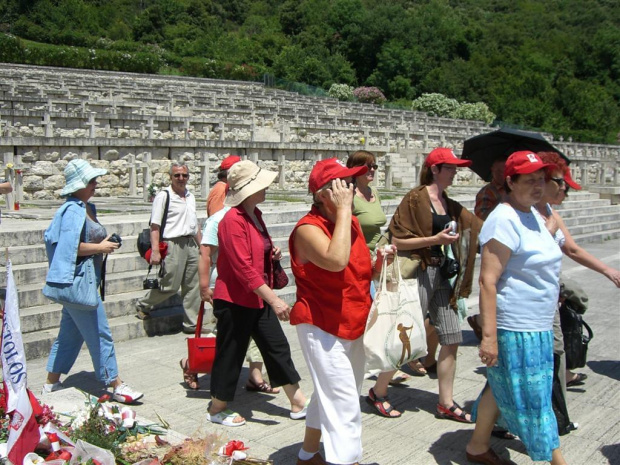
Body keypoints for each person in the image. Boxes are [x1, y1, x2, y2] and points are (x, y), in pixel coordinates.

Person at [290, 158, 394, 465]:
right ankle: (346, 460)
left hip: (353, 320)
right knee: (345, 404)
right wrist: (348, 209)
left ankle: (308, 455)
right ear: (325, 194)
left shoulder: (350, 223)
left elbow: (360, 273)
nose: (352, 189)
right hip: (322, 325)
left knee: (330, 396)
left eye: (351, 183)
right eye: (344, 184)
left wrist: (381, 262)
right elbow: (335, 261)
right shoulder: (307, 230)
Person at [466, 151, 567, 465]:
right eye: (530, 180)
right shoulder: (503, 218)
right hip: (516, 326)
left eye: (542, 180)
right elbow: (488, 281)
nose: (538, 186)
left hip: (536, 325)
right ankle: (557, 460)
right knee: (537, 401)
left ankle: (477, 446)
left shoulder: (535, 214)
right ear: (510, 181)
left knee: (499, 388)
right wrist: (489, 337)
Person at [208, 160, 307, 427]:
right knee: (231, 353)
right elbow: (242, 268)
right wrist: (274, 300)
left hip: (256, 296)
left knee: (277, 347)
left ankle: (297, 401)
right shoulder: (231, 219)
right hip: (234, 300)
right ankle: (217, 407)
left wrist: (271, 252)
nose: (267, 187)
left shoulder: (255, 214)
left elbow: (255, 253)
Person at [388, 147, 482, 423]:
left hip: (441, 274)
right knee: (404, 334)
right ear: (435, 169)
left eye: (455, 168)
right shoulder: (415, 199)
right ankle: (379, 390)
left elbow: (476, 227)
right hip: (419, 272)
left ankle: (445, 402)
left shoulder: (448, 202)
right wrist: (434, 241)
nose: (455, 173)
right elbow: (397, 241)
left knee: (452, 337)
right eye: (450, 168)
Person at [43, 159, 143, 404]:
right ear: (78, 185)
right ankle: (114, 383)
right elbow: (69, 248)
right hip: (80, 282)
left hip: (83, 281)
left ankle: (51, 383)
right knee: (100, 333)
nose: (95, 184)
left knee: (69, 335)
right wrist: (100, 246)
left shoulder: (87, 207)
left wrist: (104, 243)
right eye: (91, 181)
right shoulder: (72, 210)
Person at [534, 152, 620, 389]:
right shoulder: (525, 213)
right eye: (560, 182)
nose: (564, 188)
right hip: (532, 295)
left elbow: (572, 249)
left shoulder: (551, 213)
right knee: (552, 350)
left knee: (553, 351)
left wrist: (607, 271)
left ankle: (553, 410)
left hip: (549, 292)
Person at [191, 199, 280, 394]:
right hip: (229, 284)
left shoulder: (254, 216)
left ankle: (255, 377)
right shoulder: (221, 219)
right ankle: (191, 362)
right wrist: (204, 287)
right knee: (225, 335)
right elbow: (205, 254)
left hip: (253, 286)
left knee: (256, 335)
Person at [135, 162, 202, 334]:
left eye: (184, 175)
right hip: (173, 243)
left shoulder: (191, 196)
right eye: (177, 175)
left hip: (191, 243)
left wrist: (202, 246)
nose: (181, 178)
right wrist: (155, 250)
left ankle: (191, 324)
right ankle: (144, 304)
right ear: (170, 177)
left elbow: (195, 224)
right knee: (170, 285)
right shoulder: (164, 196)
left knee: (193, 286)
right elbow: (155, 225)